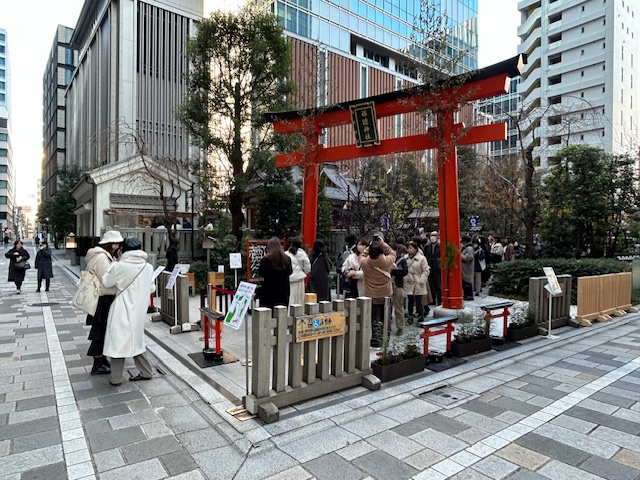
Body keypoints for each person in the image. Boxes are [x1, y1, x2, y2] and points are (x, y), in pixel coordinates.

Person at [102, 237, 155, 386]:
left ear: (123, 250)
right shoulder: (148, 267)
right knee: (136, 341)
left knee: (118, 343)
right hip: (139, 311)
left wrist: (111, 268)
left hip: (121, 309)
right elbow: (152, 288)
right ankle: (146, 372)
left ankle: (116, 378)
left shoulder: (119, 266)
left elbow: (107, 282)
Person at [84, 230, 124, 375]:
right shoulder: (101, 258)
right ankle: (98, 363)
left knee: (102, 330)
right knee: (100, 331)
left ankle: (101, 360)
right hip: (103, 299)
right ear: (109, 244)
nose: (117, 246)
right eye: (116, 243)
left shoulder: (103, 256)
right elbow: (107, 280)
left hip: (101, 299)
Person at [359, 234, 396, 348]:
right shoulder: (387, 262)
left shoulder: (365, 263)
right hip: (386, 293)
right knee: (386, 317)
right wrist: (382, 243)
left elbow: (362, 255)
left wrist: (369, 246)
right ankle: (386, 338)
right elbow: (392, 253)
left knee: (375, 319)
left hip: (371, 294)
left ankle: (375, 340)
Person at [259, 237, 292, 309]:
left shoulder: (266, 259)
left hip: (268, 290)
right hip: (283, 290)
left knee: (267, 313)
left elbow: (261, 273)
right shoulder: (287, 259)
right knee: (281, 312)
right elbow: (290, 272)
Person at [403, 240, 431, 324]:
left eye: (411, 248)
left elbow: (426, 270)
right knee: (410, 301)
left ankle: (420, 315)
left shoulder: (422, 258)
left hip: (418, 281)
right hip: (408, 281)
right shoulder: (405, 258)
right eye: (408, 248)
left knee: (419, 301)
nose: (409, 250)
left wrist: (422, 280)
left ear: (415, 248)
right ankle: (410, 316)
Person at [286, 236, 311, 308]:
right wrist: (303, 272)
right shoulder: (302, 254)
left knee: (290, 297)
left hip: (289, 279)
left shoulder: (286, 254)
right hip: (299, 278)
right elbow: (308, 268)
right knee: (299, 298)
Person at [390, 237, 408, 335]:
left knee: (398, 307)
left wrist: (395, 270)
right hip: (387, 285)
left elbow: (405, 272)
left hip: (397, 285)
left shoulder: (402, 260)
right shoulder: (384, 259)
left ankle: (400, 326)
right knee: (387, 307)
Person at [424, 231, 441, 306]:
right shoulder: (427, 246)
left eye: (434, 235)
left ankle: (439, 300)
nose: (432, 237)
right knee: (431, 285)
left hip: (438, 268)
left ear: (437, 236)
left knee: (438, 285)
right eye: (431, 235)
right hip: (429, 268)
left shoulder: (441, 246)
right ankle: (433, 300)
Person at [460, 235, 475, 301]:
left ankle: (469, 295)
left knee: (467, 281)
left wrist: (461, 256)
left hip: (467, 267)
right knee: (465, 281)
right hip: (464, 267)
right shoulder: (465, 247)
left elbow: (469, 257)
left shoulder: (469, 248)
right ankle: (466, 294)